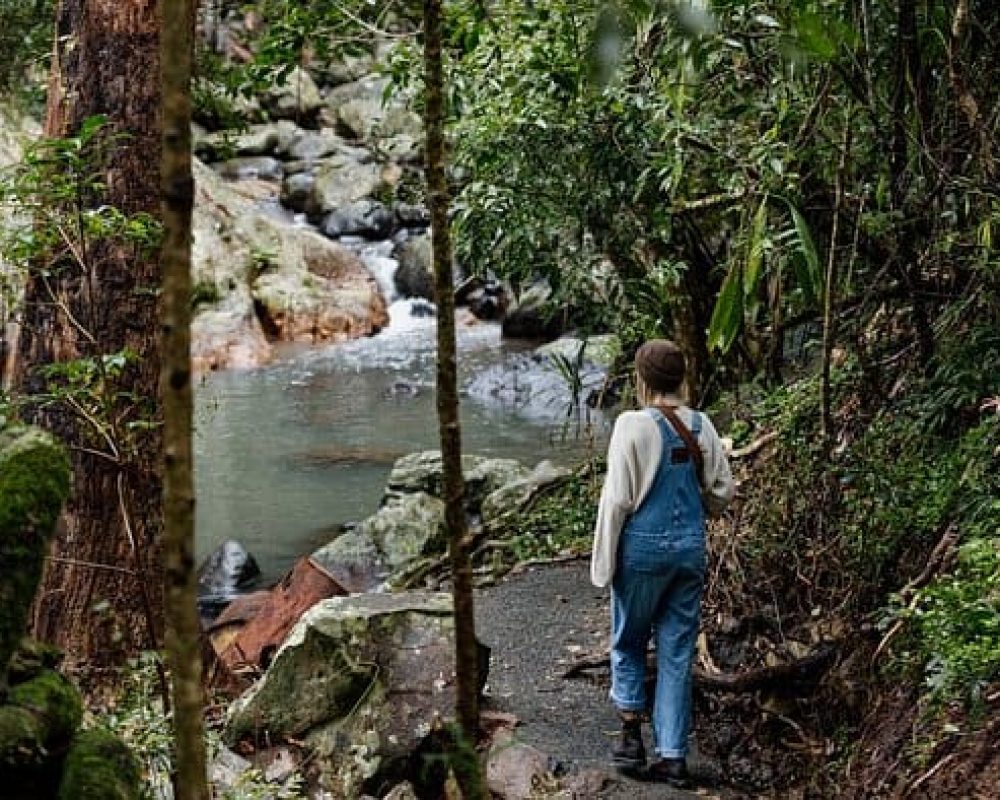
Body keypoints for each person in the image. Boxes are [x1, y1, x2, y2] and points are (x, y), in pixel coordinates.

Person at [591, 339, 735, 786]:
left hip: (642, 549)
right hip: (690, 548)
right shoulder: (703, 425)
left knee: (630, 638)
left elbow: (617, 500)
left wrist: (603, 562)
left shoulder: (631, 425)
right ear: (681, 377)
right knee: (676, 651)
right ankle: (673, 755)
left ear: (642, 378)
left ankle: (631, 737)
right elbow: (722, 492)